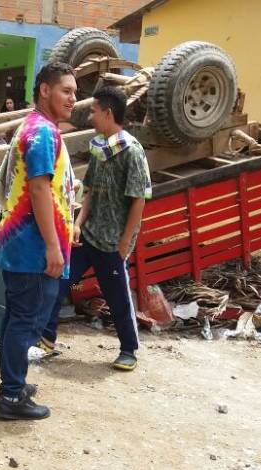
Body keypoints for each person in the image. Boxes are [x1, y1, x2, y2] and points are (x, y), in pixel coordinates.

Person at [0, 62, 77, 420]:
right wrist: (54, 246)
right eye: (66, 91)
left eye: (74, 92)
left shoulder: (34, 126)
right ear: (45, 90)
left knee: (18, 317)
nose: (73, 98)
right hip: (33, 248)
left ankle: (12, 384)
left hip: (22, 243)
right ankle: (11, 396)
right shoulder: (42, 133)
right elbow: (39, 188)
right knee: (28, 319)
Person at [41, 86, 152, 371]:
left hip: (112, 242)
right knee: (61, 281)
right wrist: (78, 223)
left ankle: (128, 350)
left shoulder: (131, 152)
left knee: (117, 297)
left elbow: (138, 200)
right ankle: (46, 337)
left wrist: (125, 241)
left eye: (93, 111)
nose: (90, 116)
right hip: (88, 236)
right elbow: (89, 190)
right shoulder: (101, 148)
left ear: (108, 113)